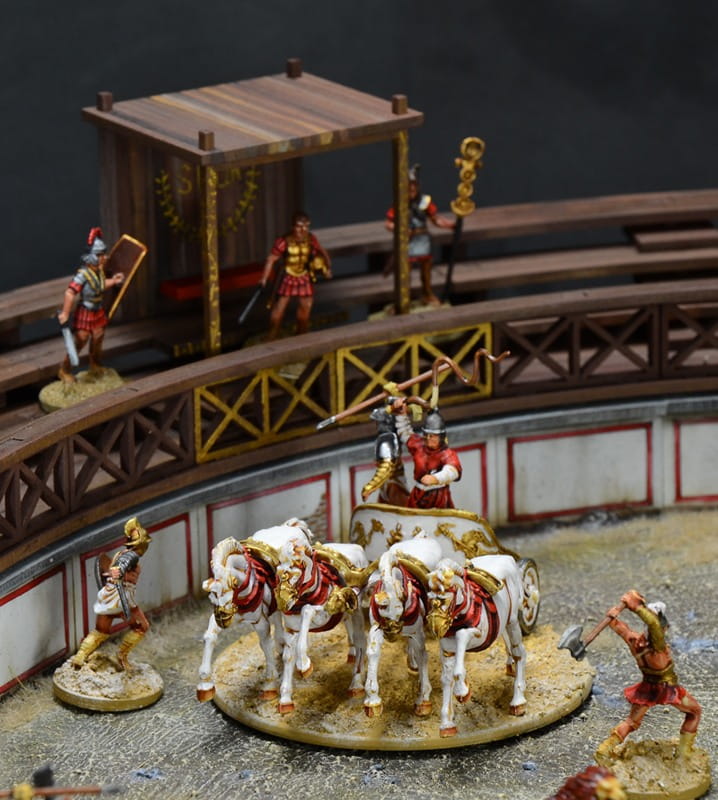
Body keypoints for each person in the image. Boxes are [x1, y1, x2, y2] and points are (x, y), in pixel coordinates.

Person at [595, 589, 702, 762]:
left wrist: (612, 616)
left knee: (631, 722)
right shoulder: (657, 647)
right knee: (694, 712)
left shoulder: (634, 641)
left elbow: (619, 627)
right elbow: (653, 624)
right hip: (668, 689)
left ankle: (605, 749)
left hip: (646, 689)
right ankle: (684, 755)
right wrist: (636, 606)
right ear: (661, 629)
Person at [70, 517, 152, 671]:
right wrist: (119, 571)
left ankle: (80, 656)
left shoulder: (120, 554)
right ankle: (121, 656)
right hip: (122, 600)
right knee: (141, 627)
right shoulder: (131, 556)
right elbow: (124, 564)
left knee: (100, 632)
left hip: (107, 598)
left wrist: (117, 572)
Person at [57, 228, 125, 383]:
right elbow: (70, 292)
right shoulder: (83, 274)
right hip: (85, 311)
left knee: (98, 336)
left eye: (103, 254)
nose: (103, 257)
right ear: (91, 256)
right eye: (99, 254)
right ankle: (64, 370)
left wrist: (114, 281)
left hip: (97, 310)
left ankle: (95, 365)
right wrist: (65, 313)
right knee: (81, 338)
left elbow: (100, 286)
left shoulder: (99, 272)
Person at [385, 164, 454, 306]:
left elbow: (436, 220)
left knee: (426, 271)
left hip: (423, 239)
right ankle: (404, 299)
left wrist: (450, 225)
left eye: (413, 185)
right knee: (405, 272)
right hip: (408, 241)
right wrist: (400, 229)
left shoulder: (424, 202)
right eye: (409, 185)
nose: (411, 189)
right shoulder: (400, 204)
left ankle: (427, 295)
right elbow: (389, 224)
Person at [260, 211, 332, 339]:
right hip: (288, 275)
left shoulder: (311, 239)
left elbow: (321, 251)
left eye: (306, 226)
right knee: (279, 308)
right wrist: (264, 278)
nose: (303, 230)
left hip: (304, 275)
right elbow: (271, 259)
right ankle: (272, 336)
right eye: (299, 226)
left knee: (306, 306)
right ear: (293, 226)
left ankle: (302, 335)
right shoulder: (283, 241)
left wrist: (327, 268)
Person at [391, 399, 461, 509]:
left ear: (441, 437)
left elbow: (453, 471)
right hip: (418, 494)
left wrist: (436, 478)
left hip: (438, 496)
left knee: (438, 518)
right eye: (426, 435)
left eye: (432, 436)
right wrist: (401, 414)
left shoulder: (446, 454)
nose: (428, 438)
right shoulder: (419, 446)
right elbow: (405, 433)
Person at [361, 405, 409, 506]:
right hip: (389, 483)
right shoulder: (393, 437)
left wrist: (369, 487)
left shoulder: (387, 439)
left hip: (393, 485)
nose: (376, 425)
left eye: (378, 422)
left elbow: (386, 467)